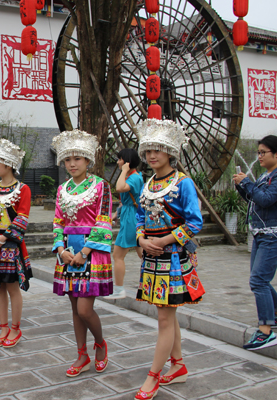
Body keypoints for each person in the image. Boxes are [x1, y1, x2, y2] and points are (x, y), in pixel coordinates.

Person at [134, 119, 204, 400]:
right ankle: (178, 366)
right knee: (166, 315)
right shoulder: (148, 183)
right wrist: (140, 239)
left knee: (164, 318)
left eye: (159, 149)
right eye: (149, 149)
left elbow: (195, 223)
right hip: (152, 259)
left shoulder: (183, 183)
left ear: (171, 152)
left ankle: (153, 377)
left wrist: (162, 241)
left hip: (172, 258)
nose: (152, 155)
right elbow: (140, 218)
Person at [51, 130, 112, 377]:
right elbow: (57, 221)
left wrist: (85, 251)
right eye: (68, 159)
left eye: (77, 158)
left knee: (85, 309)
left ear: (88, 160)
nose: (72, 163)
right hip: (68, 251)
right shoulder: (62, 188)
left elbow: (104, 220)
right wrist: (60, 250)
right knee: (75, 308)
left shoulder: (101, 186)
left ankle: (100, 344)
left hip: (91, 251)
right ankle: (81, 354)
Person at [0, 138, 32, 348]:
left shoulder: (23, 189)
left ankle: (15, 327)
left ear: (9, 164)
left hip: (9, 243)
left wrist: (1, 239)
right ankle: (3, 326)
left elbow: (22, 218)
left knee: (11, 287)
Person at [234, 135, 277, 351]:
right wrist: (241, 186)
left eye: (263, 152)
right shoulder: (266, 175)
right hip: (261, 234)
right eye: (259, 153)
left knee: (258, 281)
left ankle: (266, 331)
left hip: (274, 234)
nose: (259, 156)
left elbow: (265, 199)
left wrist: (247, 182)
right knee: (259, 279)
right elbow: (254, 199)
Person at [107, 148, 144, 299]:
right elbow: (126, 200)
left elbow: (119, 187)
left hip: (131, 218)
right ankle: (144, 285)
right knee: (143, 253)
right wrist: (116, 214)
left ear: (127, 161)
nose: (118, 162)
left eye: (120, 159)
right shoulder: (136, 176)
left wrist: (123, 171)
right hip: (131, 214)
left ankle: (119, 289)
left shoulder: (133, 178)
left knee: (118, 255)